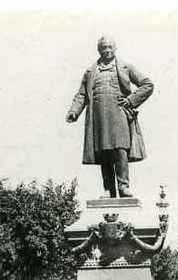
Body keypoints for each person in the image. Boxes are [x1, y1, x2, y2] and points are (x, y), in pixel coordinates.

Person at [66, 36, 154, 198]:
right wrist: (74, 111)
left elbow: (147, 84)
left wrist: (130, 100)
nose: (107, 50)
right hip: (98, 117)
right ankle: (109, 189)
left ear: (115, 49)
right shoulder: (90, 72)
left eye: (109, 47)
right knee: (104, 151)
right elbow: (81, 95)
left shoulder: (125, 67)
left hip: (119, 114)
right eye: (103, 48)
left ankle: (123, 186)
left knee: (121, 149)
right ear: (99, 50)